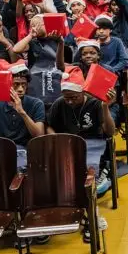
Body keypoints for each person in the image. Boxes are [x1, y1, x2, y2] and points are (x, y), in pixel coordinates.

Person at [46, 68, 117, 196]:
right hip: (69, 142)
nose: (70, 101)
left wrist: (105, 106)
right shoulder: (60, 103)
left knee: (88, 169)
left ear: (83, 92)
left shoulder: (95, 103)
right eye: (67, 98)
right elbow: (49, 126)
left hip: (93, 143)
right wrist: (56, 138)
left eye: (74, 97)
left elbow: (110, 131)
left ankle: (102, 173)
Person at [0, 65, 45, 148]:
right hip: (4, 149)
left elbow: (39, 136)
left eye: (24, 84)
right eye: (16, 84)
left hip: (27, 149)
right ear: (8, 84)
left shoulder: (36, 104)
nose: (20, 89)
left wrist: (22, 113)